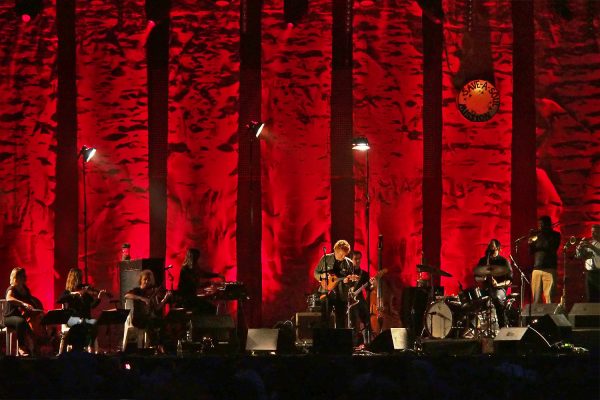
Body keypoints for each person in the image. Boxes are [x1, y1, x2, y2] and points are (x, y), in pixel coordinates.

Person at [57, 268, 109, 352]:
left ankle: (90, 348)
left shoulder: (84, 293)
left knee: (94, 323)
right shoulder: (67, 292)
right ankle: (85, 348)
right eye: (79, 278)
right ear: (74, 279)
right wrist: (74, 294)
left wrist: (99, 298)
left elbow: (92, 306)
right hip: (72, 320)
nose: (81, 281)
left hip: (83, 319)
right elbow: (60, 300)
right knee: (85, 323)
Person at [313, 240, 358, 329]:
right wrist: (322, 275)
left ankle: (339, 341)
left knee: (341, 321)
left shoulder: (349, 263)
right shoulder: (326, 258)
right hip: (326, 293)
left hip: (341, 295)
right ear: (335, 251)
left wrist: (347, 282)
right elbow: (315, 273)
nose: (343, 256)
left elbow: (351, 283)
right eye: (341, 254)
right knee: (325, 319)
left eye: (345, 254)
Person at [124, 270, 171, 348]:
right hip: (138, 319)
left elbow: (157, 308)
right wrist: (142, 298)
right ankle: (154, 346)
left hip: (149, 318)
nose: (146, 281)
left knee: (163, 321)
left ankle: (161, 345)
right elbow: (126, 295)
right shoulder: (137, 291)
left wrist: (165, 298)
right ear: (141, 280)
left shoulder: (152, 292)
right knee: (149, 322)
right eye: (145, 279)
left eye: (148, 280)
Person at [4, 267, 42, 356]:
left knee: (31, 329)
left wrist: (37, 310)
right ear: (16, 277)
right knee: (21, 322)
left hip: (21, 317)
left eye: (25, 276)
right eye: (23, 276)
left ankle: (35, 350)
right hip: (9, 317)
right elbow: (8, 298)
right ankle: (21, 348)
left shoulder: (25, 289)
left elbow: (30, 301)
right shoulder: (11, 288)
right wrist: (23, 304)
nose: (25, 278)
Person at [474, 239, 513, 327]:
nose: (491, 248)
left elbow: (509, 280)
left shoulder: (503, 261)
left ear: (498, 248)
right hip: (486, 288)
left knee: (496, 297)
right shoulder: (484, 260)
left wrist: (498, 284)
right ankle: (474, 327)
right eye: (489, 246)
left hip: (499, 289)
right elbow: (476, 277)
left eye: (493, 246)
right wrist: (482, 278)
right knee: (474, 299)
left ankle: (503, 324)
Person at [177, 248, 224, 315]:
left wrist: (217, 275)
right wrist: (207, 284)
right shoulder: (185, 269)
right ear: (193, 258)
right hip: (186, 299)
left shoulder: (193, 267)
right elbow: (194, 284)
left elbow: (203, 274)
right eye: (196, 258)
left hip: (191, 297)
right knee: (210, 309)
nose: (197, 259)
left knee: (209, 308)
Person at [529, 216, 561, 303]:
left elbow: (550, 246)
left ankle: (550, 316)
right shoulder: (538, 236)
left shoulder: (555, 235)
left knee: (549, 297)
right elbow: (532, 252)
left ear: (547, 225)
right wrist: (531, 243)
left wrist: (542, 235)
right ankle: (538, 317)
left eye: (541, 224)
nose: (540, 226)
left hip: (549, 269)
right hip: (537, 269)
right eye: (539, 224)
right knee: (536, 299)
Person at [347, 250, 372, 345]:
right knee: (353, 322)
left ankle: (367, 342)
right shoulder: (347, 274)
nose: (357, 261)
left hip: (360, 299)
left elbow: (369, 289)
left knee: (367, 319)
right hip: (349, 301)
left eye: (359, 259)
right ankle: (353, 343)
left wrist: (372, 286)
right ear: (351, 260)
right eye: (355, 259)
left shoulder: (364, 274)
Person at [575, 224, 600, 302]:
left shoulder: (592, 245)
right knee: (590, 297)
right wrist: (579, 249)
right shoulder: (590, 243)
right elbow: (579, 256)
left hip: (599, 273)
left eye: (595, 232)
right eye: (592, 232)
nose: (592, 234)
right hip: (589, 273)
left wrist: (591, 247)